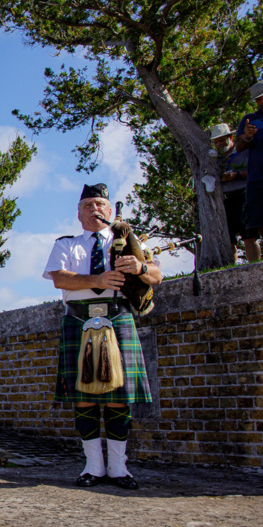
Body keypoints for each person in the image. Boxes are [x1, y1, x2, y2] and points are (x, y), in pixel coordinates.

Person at [43, 183, 162, 490]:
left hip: (118, 315)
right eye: (87, 205)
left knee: (118, 397)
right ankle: (93, 466)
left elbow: (156, 276)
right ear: (79, 215)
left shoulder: (128, 241)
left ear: (110, 211)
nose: (94, 209)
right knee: (84, 397)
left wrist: (140, 266)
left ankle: (119, 467)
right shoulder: (67, 245)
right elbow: (59, 278)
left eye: (99, 204)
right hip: (79, 318)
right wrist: (98, 279)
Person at [234, 79, 263, 253]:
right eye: (258, 99)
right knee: (259, 219)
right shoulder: (250, 119)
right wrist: (247, 137)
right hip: (258, 177)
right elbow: (238, 147)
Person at [211, 123, 260, 262]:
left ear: (230, 137)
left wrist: (237, 175)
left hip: (244, 196)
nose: (219, 144)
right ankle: (231, 268)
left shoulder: (244, 151)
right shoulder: (214, 158)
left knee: (249, 236)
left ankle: (254, 266)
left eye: (221, 140)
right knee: (228, 240)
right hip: (224, 200)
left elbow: (256, 171)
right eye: (216, 142)